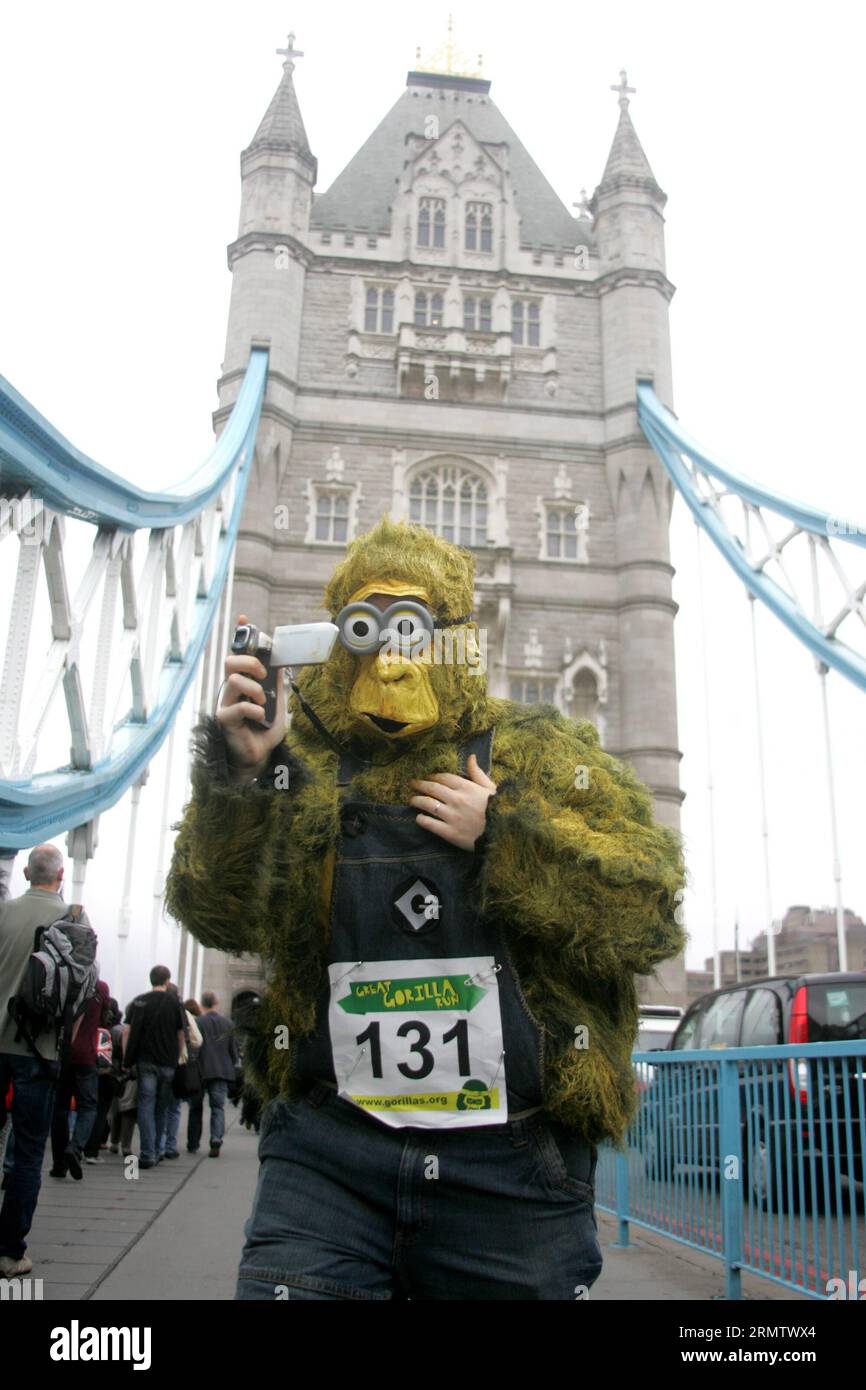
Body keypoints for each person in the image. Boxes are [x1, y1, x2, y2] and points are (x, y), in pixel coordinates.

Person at [166, 518, 686, 1300]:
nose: (392, 660)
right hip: (329, 1154)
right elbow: (218, 917)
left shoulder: (543, 758)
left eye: (414, 630)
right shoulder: (291, 762)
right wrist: (239, 779)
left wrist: (508, 837)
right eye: (367, 631)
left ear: (457, 640)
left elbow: (647, 915)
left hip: (512, 1166)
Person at [0, 844, 68, 1277]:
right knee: (26, 1153)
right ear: (61, 876)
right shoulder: (73, 921)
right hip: (39, 1052)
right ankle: (10, 1253)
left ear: (25, 872)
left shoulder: (3, 913)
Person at [123, 966, 186, 1169]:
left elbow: (127, 1031)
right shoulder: (175, 1003)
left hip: (146, 1061)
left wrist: (127, 1059)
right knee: (162, 1107)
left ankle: (147, 1152)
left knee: (146, 1105)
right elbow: (181, 1034)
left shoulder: (139, 1001)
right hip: (168, 1062)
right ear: (167, 980)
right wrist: (178, 1056)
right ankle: (158, 1149)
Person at [49, 976, 110, 1180]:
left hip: (63, 1053)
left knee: (60, 1108)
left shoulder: (65, 981)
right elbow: (105, 1018)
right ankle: (75, 1149)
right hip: (86, 1056)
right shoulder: (100, 987)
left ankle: (59, 1165)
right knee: (89, 1106)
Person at [187, 993, 239, 1157]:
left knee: (195, 1108)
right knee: (218, 1108)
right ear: (216, 1003)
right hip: (220, 1071)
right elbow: (233, 1051)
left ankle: (193, 1143)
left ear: (203, 1004)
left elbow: (193, 1046)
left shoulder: (198, 1022)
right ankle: (216, 1138)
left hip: (200, 1071)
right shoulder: (227, 1023)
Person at [159, 990, 203, 1160]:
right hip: (177, 1064)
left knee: (158, 1107)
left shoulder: (150, 1005)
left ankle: (158, 1146)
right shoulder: (183, 1013)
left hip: (156, 1061)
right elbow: (198, 1040)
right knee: (174, 1107)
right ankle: (170, 1145)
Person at [84, 998, 122, 1161]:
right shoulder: (114, 1031)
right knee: (101, 1113)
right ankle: (93, 1150)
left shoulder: (90, 1028)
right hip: (107, 1074)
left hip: (87, 1071)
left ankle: (79, 1144)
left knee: (86, 1109)